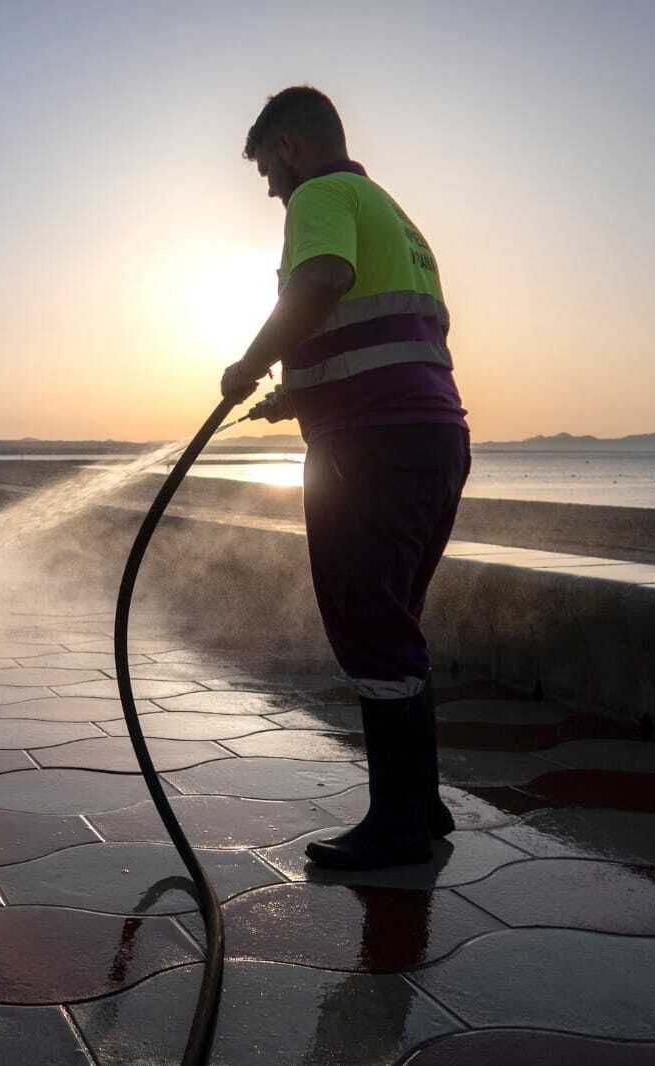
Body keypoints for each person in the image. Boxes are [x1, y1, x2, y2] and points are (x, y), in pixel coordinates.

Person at [220, 86, 471, 870]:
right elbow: (391, 328)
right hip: (432, 438)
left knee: (367, 619)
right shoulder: (391, 212)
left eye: (265, 167)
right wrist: (296, 391)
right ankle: (419, 804)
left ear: (290, 146)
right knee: (392, 620)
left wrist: (249, 363)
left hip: (370, 449)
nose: (267, 187)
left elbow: (321, 278)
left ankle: (397, 823)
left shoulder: (321, 195)